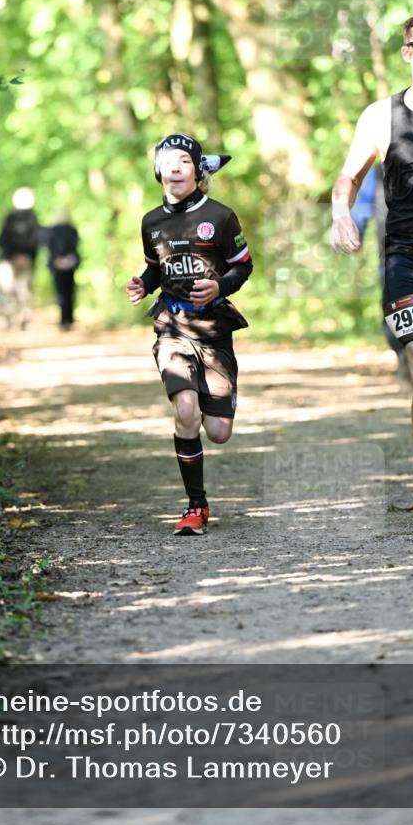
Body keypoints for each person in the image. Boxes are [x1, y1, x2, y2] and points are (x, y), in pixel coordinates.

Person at [330, 7, 413, 533]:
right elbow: (348, 177)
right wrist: (341, 213)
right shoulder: (381, 117)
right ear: (407, 53)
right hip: (408, 261)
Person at [126, 133, 253, 535]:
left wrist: (220, 286)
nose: (176, 167)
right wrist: (143, 284)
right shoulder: (151, 222)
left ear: (199, 171)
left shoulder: (220, 216)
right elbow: (154, 267)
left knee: (218, 432)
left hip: (214, 332)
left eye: (185, 160)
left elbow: (243, 266)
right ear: (158, 171)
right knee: (185, 410)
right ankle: (196, 506)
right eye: (168, 161)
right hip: (172, 328)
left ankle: (208, 402)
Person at [350, 164, 407, 375]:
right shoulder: (376, 175)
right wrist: (354, 233)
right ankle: (405, 358)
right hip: (392, 262)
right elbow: (361, 211)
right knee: (394, 313)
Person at [0, 187, 40, 329]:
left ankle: (21, 317)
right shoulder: (11, 217)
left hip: (22, 259)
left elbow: (35, 240)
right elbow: (3, 239)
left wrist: (25, 255)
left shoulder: (30, 217)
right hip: (11, 259)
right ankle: (11, 317)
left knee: (22, 290)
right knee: (10, 289)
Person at [46, 210, 80, 329]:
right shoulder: (72, 230)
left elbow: (49, 249)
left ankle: (66, 320)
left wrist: (59, 260)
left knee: (63, 293)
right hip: (66, 266)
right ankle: (67, 319)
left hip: (63, 266)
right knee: (67, 293)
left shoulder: (52, 231)